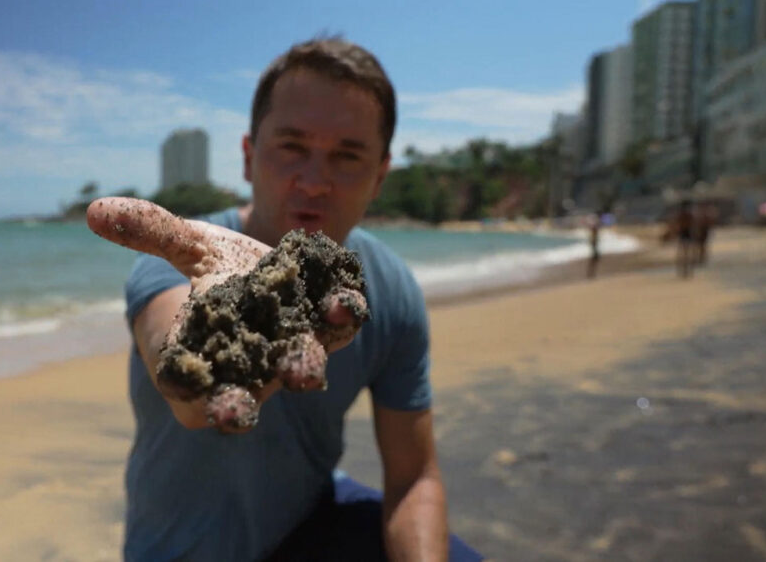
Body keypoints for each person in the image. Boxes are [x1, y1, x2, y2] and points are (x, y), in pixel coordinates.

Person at [87, 37, 482, 562]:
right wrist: (198, 360)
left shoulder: (387, 291)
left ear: (379, 177)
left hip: (309, 528)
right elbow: (183, 384)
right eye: (292, 147)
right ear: (249, 158)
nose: (315, 182)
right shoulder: (184, 259)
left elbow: (413, 477)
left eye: (347, 156)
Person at [586, 211, 601, 279]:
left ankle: (591, 273)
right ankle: (591, 274)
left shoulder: (594, 229)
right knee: (594, 259)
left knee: (595, 259)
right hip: (594, 244)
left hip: (594, 244)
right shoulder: (594, 229)